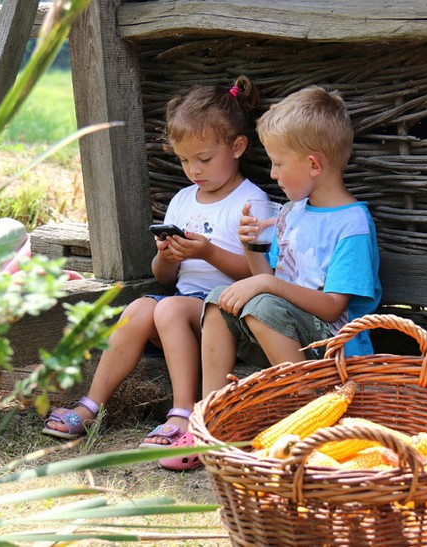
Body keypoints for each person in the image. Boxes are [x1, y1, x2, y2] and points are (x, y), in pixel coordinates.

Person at [157, 85, 381, 471]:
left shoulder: (351, 225)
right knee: (218, 300)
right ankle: (211, 420)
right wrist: (251, 249)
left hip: (332, 347)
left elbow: (332, 307)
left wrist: (266, 284)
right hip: (281, 329)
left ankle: (308, 412)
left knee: (258, 301)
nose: (272, 173)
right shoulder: (293, 213)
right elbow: (264, 280)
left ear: (313, 165)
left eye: (278, 164)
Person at [42, 75, 269, 448]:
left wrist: (208, 252)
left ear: (238, 146)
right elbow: (163, 278)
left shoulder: (251, 203)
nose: (194, 169)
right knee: (138, 309)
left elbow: (258, 274)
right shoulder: (183, 200)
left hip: (226, 314)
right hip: (182, 308)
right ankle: (90, 405)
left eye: (204, 159)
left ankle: (183, 413)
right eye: (183, 160)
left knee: (166, 311)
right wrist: (166, 256)